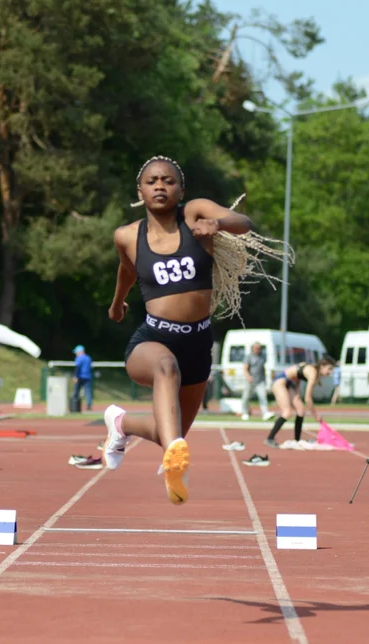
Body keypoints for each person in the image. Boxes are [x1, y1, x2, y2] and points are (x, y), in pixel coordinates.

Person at [101, 155, 284, 505]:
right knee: (165, 368)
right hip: (152, 340)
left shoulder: (195, 214)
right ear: (139, 190)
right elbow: (126, 270)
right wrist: (116, 304)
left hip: (198, 344)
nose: (159, 185)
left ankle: (121, 423)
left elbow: (243, 221)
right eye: (152, 180)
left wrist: (219, 224)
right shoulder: (126, 235)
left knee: (172, 432)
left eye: (168, 181)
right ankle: (173, 468)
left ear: (180, 190)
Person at [265, 356, 335, 448]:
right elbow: (308, 398)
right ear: (322, 365)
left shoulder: (312, 369)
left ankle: (297, 441)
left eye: (332, 370)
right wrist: (315, 415)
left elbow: (297, 373)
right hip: (280, 382)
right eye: (329, 369)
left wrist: (296, 391)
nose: (330, 372)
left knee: (301, 411)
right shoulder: (313, 373)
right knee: (287, 412)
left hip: (289, 384)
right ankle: (270, 438)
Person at [238, 341, 272, 421]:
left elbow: (263, 368)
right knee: (246, 397)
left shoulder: (262, 357)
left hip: (260, 381)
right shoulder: (249, 357)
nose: (258, 349)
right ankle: (245, 413)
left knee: (263, 397)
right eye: (256, 348)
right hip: (250, 381)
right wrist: (248, 377)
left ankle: (265, 413)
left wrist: (265, 380)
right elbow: (245, 368)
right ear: (253, 348)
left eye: (259, 348)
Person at [72, 345, 93, 412]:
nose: (76, 354)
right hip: (88, 377)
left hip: (80, 377)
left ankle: (74, 406)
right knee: (88, 392)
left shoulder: (79, 358)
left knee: (76, 391)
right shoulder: (88, 358)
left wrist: (75, 376)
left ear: (80, 352)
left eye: (77, 352)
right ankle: (89, 405)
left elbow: (77, 368)